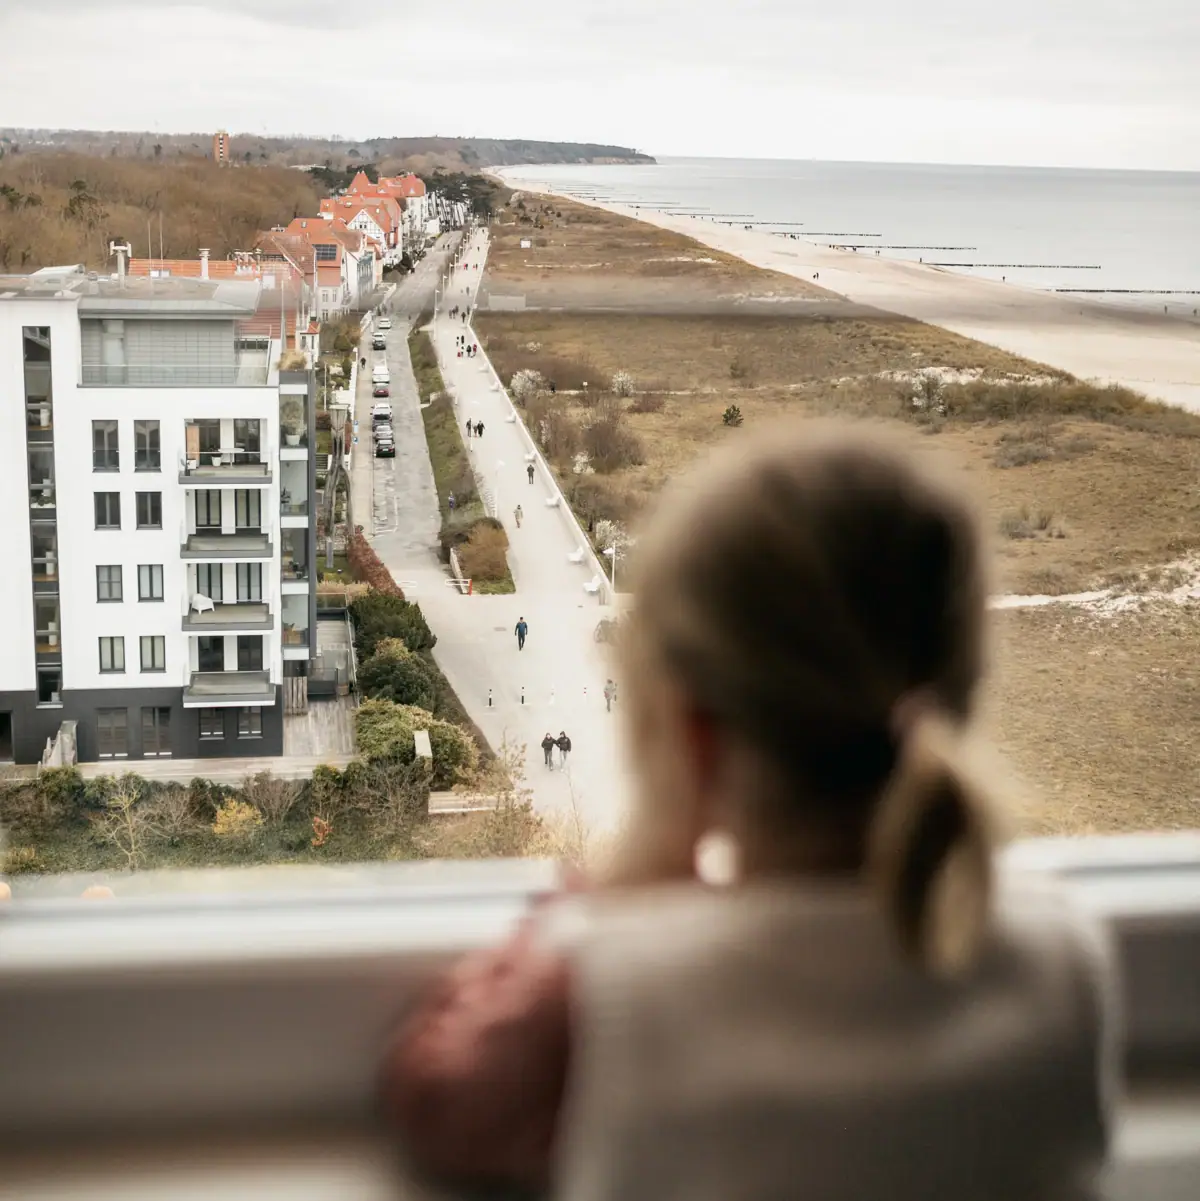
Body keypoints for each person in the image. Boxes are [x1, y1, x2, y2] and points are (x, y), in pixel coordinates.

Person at [381, 419, 1118, 1200]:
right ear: (957, 700)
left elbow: (435, 1097)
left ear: (695, 743)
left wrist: (641, 865)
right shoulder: (1063, 960)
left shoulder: (611, 989)